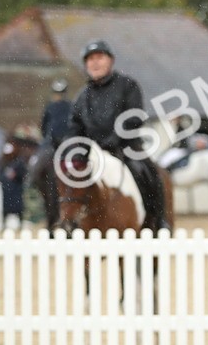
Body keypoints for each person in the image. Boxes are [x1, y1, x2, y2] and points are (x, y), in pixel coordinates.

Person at [65, 40, 168, 231]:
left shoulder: (128, 85)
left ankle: (158, 221)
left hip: (127, 147)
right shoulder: (82, 96)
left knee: (148, 172)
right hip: (94, 153)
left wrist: (114, 140)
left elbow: (134, 117)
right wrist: (77, 152)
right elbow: (74, 128)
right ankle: (67, 221)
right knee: (68, 178)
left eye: (99, 58)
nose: (95, 63)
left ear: (110, 61)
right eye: (90, 59)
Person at [30, 79, 72, 229]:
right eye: (57, 93)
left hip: (65, 146)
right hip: (52, 145)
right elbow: (44, 128)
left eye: (60, 93)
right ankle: (34, 179)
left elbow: (43, 128)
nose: (58, 96)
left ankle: (34, 179)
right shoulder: (51, 107)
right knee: (36, 162)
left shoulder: (70, 107)